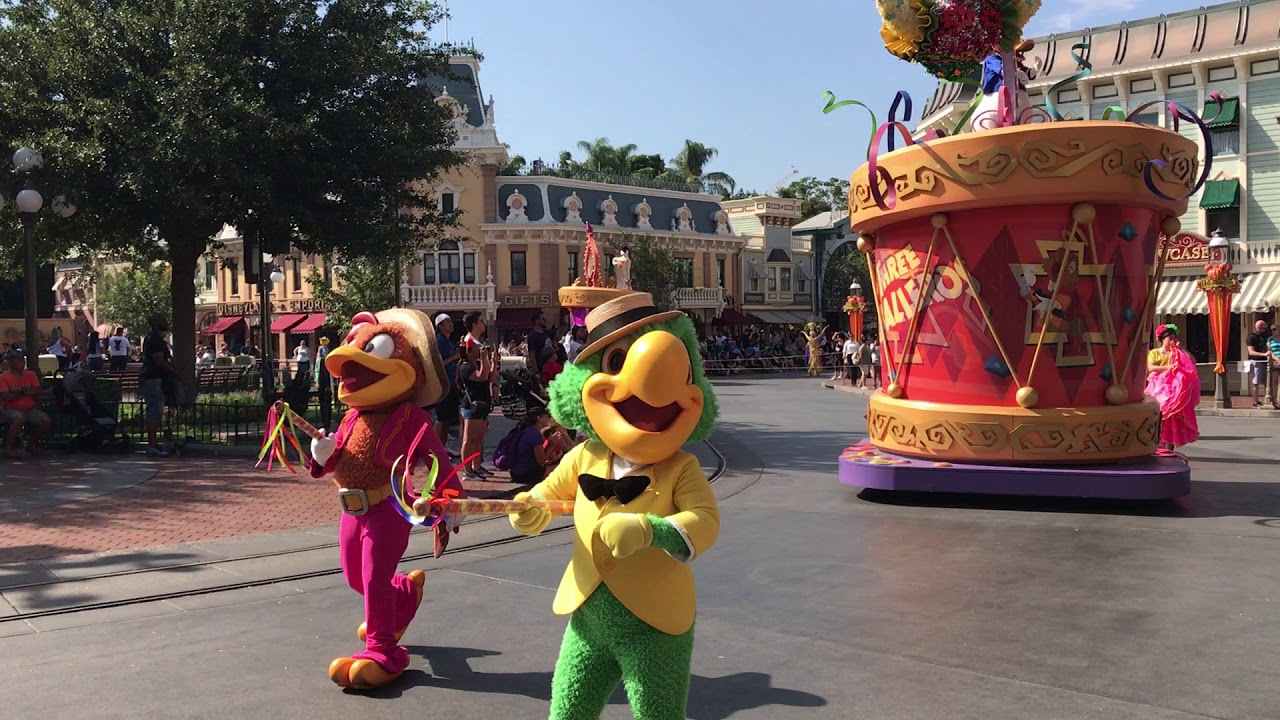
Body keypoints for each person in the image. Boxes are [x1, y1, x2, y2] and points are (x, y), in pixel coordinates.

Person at [1145, 324, 1201, 451]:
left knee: (1172, 417)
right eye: (1170, 338)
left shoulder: (1176, 353)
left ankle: (1169, 447)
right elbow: (1151, 368)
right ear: (1162, 339)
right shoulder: (1154, 352)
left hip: (1173, 390)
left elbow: (1191, 362)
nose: (1172, 341)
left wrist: (1182, 349)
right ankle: (1157, 444)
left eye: (1174, 338)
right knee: (1160, 415)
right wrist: (1167, 368)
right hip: (1158, 388)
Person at [457, 312, 495, 480]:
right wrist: (485, 359)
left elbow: (489, 376)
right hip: (472, 402)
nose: (484, 324)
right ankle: (468, 471)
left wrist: (492, 362)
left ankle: (476, 467)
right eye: (480, 321)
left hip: (482, 400)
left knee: (478, 439)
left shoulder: (478, 344)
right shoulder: (469, 343)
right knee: (469, 439)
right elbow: (482, 376)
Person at [139, 313, 181, 457]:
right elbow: (158, 360)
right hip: (152, 379)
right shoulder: (155, 339)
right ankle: (152, 445)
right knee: (154, 411)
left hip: (155, 379)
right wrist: (174, 371)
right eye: (162, 319)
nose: (166, 321)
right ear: (157, 323)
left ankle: (154, 443)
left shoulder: (153, 338)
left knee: (157, 410)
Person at [0, 350, 50, 458]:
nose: (22, 362)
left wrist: (20, 391)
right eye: (18, 360)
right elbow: (7, 397)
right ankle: (8, 448)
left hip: (30, 409)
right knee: (20, 418)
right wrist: (27, 392)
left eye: (23, 359)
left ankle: (32, 444)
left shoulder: (30, 374)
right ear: (10, 363)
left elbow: (37, 391)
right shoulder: (3, 377)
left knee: (45, 420)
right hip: (10, 409)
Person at [506, 406, 574, 485]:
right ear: (539, 418)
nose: (548, 419)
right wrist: (552, 444)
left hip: (515, 473)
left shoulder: (525, 431)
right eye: (547, 417)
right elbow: (541, 461)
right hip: (527, 475)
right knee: (564, 467)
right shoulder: (535, 435)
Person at [430, 313, 461, 457]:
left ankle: (442, 447)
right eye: (447, 322)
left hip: (451, 383)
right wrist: (454, 357)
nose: (451, 324)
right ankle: (434, 448)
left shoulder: (448, 341)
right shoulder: (439, 341)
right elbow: (438, 364)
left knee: (447, 418)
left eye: (450, 321)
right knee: (442, 418)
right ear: (440, 326)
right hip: (443, 383)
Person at [1246, 319, 1270, 409]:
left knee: (1266, 382)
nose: (1265, 330)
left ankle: (1267, 399)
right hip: (1256, 362)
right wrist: (1264, 354)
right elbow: (1251, 352)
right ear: (1259, 328)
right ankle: (1255, 402)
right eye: (1264, 328)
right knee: (1255, 382)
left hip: (1264, 362)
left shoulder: (1263, 336)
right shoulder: (1251, 337)